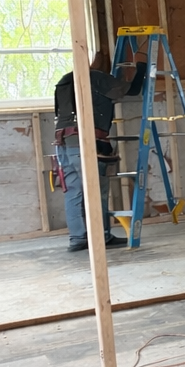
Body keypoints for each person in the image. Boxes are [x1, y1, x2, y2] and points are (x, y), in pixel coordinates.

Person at [54, 50, 146, 252]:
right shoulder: (96, 77)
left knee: (74, 192)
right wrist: (141, 67)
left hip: (63, 143)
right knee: (97, 191)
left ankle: (77, 238)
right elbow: (133, 90)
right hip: (86, 142)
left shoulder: (65, 80)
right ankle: (102, 237)